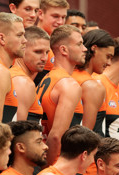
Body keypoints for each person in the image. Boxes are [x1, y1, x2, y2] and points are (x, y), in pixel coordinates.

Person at [38, 24, 86, 165]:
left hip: (45, 157)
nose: (85, 49)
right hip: (59, 165)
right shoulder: (69, 84)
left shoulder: (46, 79)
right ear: (64, 49)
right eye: (79, 44)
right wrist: (52, 170)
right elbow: (56, 136)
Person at [72, 29, 114, 134]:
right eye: (107, 57)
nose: (109, 63)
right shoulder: (93, 86)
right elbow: (85, 136)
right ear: (94, 48)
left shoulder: (67, 75)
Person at [11, 26, 49, 122]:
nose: (44, 58)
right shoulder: (22, 82)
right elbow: (18, 130)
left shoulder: (20, 78)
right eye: (38, 52)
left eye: (47, 52)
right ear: (22, 48)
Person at [36, 0, 68, 79]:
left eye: (63, 17)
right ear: (40, 14)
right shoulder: (29, 41)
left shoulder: (61, 43)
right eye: (55, 16)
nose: (60, 22)